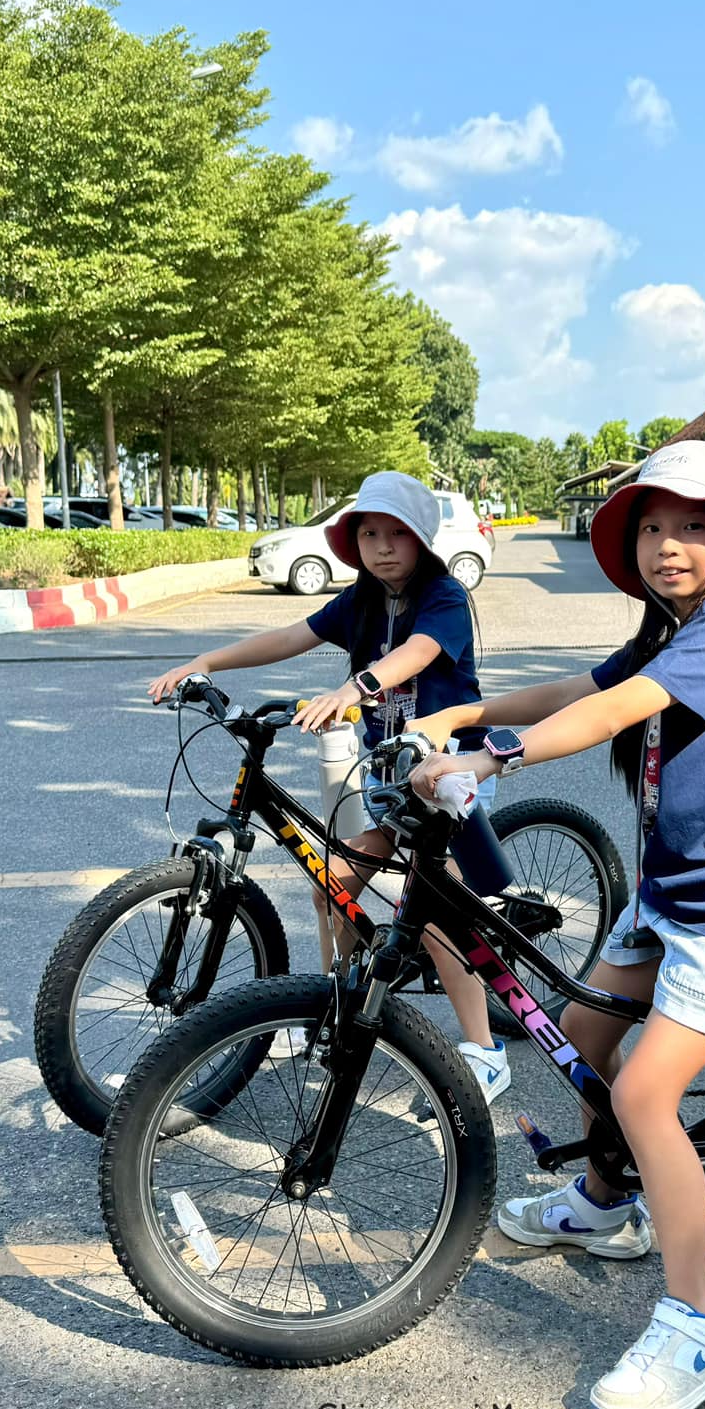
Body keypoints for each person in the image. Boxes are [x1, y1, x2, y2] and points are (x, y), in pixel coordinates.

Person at [408, 440, 705, 1409]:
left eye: (691, 526)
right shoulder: (671, 632)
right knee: (582, 1037)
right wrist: (461, 713)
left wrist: (492, 758)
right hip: (672, 892)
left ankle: (701, 1324)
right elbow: (576, 694)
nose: (666, 544)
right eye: (651, 526)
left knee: (641, 1092)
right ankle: (604, 1203)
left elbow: (614, 715)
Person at [147, 470, 511, 1102]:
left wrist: (354, 688)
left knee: (434, 915)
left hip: (449, 773)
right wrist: (205, 662)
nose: (382, 547)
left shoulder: (445, 597)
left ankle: (485, 1050)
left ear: (422, 539)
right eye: (369, 534)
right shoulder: (361, 601)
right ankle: (334, 1005)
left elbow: (418, 652)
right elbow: (291, 637)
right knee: (331, 888)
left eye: (397, 533)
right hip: (390, 777)